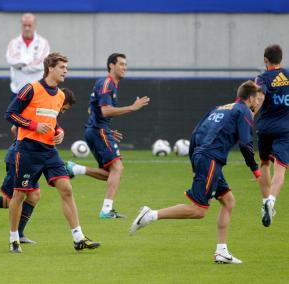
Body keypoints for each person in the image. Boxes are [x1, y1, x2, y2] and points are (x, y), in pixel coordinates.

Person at [129, 80, 262, 264]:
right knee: (199, 211)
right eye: (257, 98)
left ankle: (221, 252)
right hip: (210, 159)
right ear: (251, 98)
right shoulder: (244, 111)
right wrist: (255, 170)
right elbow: (246, 143)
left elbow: (195, 133)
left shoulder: (219, 108)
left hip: (204, 157)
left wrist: (193, 161)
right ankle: (150, 215)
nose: (258, 102)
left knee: (229, 201)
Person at [0, 88, 77, 244]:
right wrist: (26, 141)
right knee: (13, 199)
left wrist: (58, 131)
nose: (62, 111)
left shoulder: (50, 113)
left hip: (30, 157)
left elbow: (51, 125)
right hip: (19, 157)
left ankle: (19, 233)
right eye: (63, 108)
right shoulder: (39, 103)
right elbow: (14, 127)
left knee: (32, 196)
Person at [5, 52, 100, 253]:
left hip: (49, 151)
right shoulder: (31, 89)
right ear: (50, 68)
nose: (65, 70)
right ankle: (14, 239)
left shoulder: (61, 95)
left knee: (66, 188)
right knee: (20, 195)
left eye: (66, 67)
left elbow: (52, 119)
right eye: (62, 67)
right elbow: (11, 114)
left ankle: (78, 238)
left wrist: (59, 131)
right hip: (28, 150)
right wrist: (33, 125)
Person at [66, 53, 150, 219]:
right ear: (111, 65)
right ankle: (106, 210)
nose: (124, 67)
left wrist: (105, 130)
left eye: (126, 64)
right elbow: (105, 111)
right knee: (118, 168)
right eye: (121, 64)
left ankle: (75, 168)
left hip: (97, 130)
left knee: (110, 173)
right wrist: (132, 108)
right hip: (98, 130)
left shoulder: (108, 84)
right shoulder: (107, 83)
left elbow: (92, 110)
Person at [255, 44, 289, 227]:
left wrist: (250, 115)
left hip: (265, 128)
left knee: (264, 164)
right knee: (280, 169)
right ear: (281, 59)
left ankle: (264, 202)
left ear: (265, 60)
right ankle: (271, 201)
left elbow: (258, 97)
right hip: (285, 129)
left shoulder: (262, 78)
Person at [6, 12, 50, 97]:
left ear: (35, 25)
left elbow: (42, 64)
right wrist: (30, 61)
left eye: (29, 25)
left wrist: (21, 65)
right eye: (24, 25)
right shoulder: (13, 43)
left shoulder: (43, 43)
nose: (27, 28)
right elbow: (11, 60)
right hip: (18, 91)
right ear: (21, 25)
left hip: (38, 91)